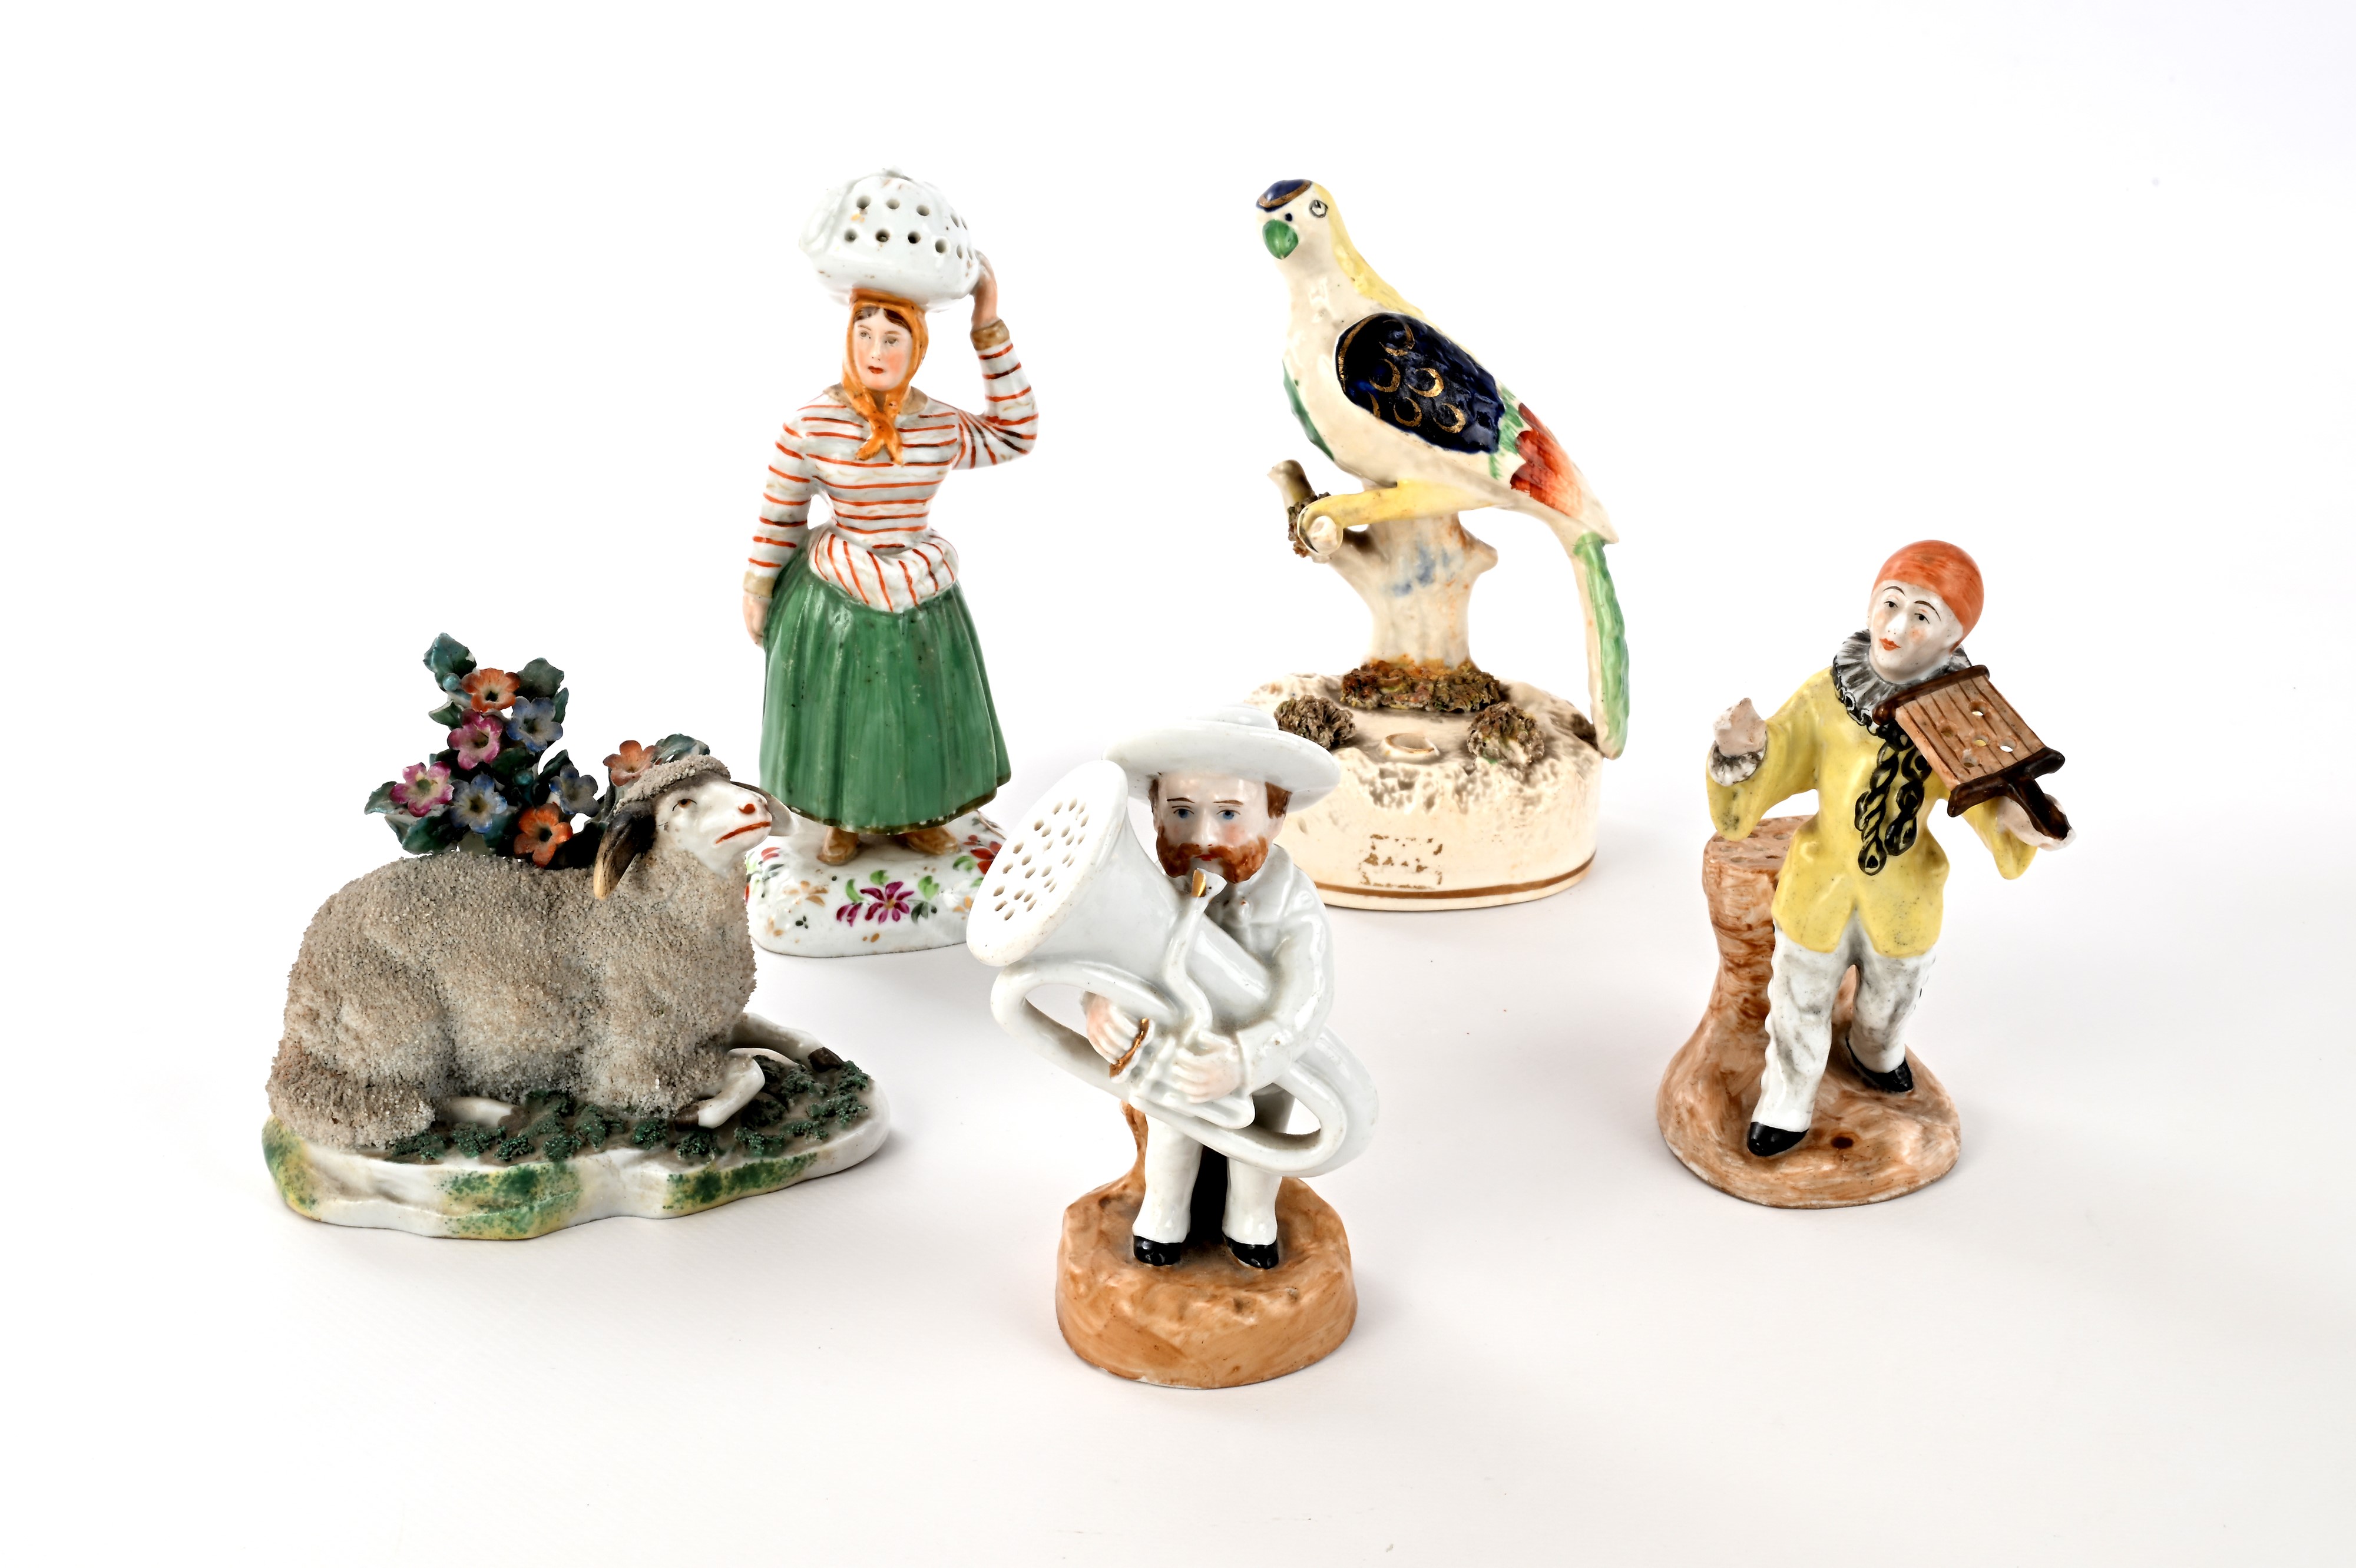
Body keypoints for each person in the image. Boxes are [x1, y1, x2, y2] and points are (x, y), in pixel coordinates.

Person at [1707, 541, 2072, 1157]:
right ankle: (1787, 1098)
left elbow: (1983, 790)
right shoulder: (1826, 695)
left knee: (1892, 998)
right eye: (1890, 603)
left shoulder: (1960, 715)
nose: (1897, 627)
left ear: (1953, 639)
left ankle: (1874, 1049)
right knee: (1799, 1000)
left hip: (1904, 887)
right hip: (1821, 882)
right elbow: (1780, 752)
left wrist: (2017, 818)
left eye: (1923, 615)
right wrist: (1743, 749)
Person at [742, 260, 1035, 865]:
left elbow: (1015, 433)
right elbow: (780, 515)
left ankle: (917, 813)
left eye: (893, 338)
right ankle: (842, 819)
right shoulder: (811, 425)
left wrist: (987, 324)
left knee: (918, 711)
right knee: (842, 714)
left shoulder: (937, 425)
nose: (876, 351)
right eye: (865, 333)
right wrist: (758, 588)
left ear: (917, 346)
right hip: (836, 593)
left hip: (921, 590)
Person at [1087, 709, 1342, 1268]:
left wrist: (1245, 1059)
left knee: (1259, 1144)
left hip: (1261, 1064)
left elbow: (1308, 998)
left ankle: (1251, 1222)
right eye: (1182, 812)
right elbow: (1114, 956)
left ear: (1275, 816)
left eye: (1229, 813)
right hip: (1177, 1052)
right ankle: (1163, 1216)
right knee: (1172, 1133)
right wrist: (1101, 1003)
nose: (1203, 836)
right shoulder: (1155, 890)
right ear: (1156, 812)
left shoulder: (1294, 904)